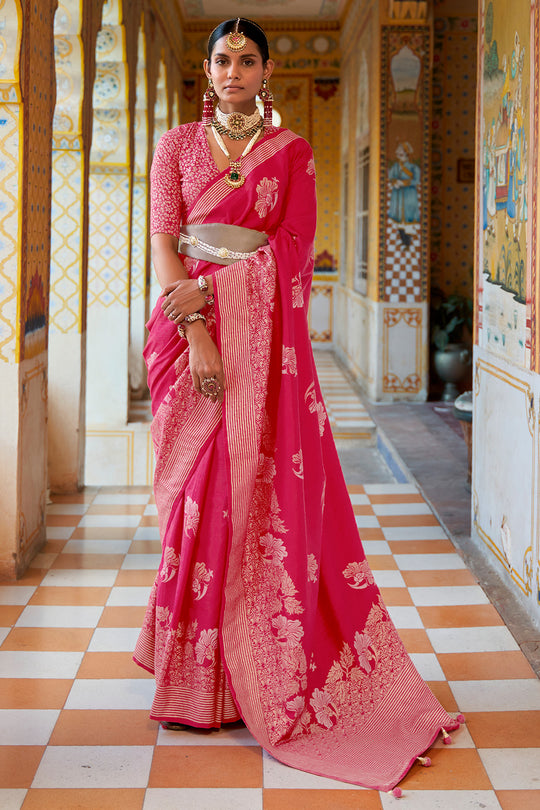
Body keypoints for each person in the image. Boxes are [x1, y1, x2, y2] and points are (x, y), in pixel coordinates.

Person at [134, 17, 461, 793]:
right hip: (188, 333)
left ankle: (263, 667)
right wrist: (196, 325)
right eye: (222, 58)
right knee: (197, 501)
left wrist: (217, 294)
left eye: (247, 59)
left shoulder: (294, 154)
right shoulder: (176, 145)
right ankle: (198, 682)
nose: (233, 70)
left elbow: (293, 251)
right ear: (206, 70)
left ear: (267, 69)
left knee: (250, 495)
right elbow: (162, 238)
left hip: (263, 353)